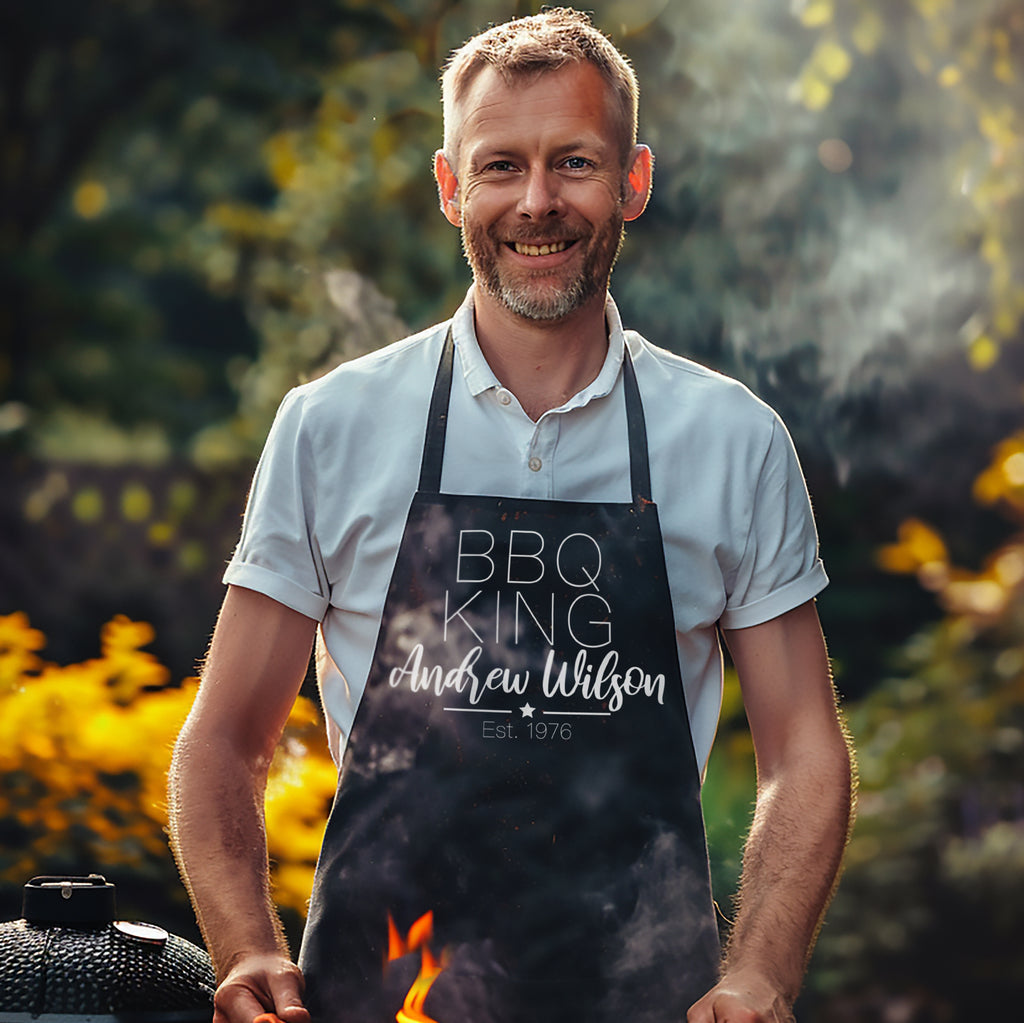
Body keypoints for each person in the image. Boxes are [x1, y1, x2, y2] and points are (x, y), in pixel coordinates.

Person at [168, 8, 854, 1023]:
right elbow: (223, 741)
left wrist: (757, 973)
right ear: (451, 188)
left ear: (634, 180)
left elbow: (804, 752)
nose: (537, 202)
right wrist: (245, 950)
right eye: (500, 167)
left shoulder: (731, 439)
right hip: (379, 999)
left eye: (573, 162)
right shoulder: (330, 426)